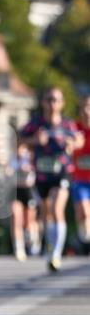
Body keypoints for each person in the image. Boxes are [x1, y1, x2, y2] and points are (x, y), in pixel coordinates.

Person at [20, 87, 82, 272]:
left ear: (62, 103)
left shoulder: (67, 124)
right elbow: (19, 140)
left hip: (61, 172)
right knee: (46, 213)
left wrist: (72, 144)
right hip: (41, 174)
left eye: (56, 100)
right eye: (49, 99)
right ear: (43, 102)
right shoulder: (35, 123)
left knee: (57, 208)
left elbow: (79, 140)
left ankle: (56, 253)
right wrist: (34, 140)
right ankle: (50, 248)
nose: (52, 103)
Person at [9, 141, 40, 261]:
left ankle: (33, 238)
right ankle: (18, 247)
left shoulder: (30, 157)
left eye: (21, 148)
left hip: (29, 191)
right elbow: (8, 173)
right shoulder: (11, 159)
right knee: (16, 218)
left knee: (28, 220)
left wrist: (28, 168)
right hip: (16, 191)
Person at [71, 94, 90, 256]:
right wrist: (73, 144)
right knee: (83, 211)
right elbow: (67, 147)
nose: (87, 111)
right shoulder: (74, 128)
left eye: (89, 107)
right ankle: (84, 239)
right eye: (84, 107)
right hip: (80, 179)